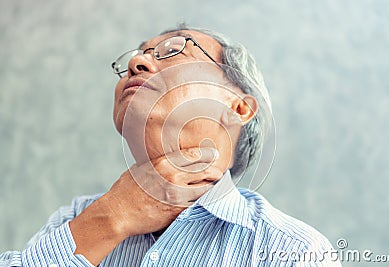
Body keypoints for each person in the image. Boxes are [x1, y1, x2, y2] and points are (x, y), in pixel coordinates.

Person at [0, 25, 342, 266]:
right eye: (137, 56)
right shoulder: (76, 219)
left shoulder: (296, 251)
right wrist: (111, 216)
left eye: (173, 51)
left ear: (239, 107)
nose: (136, 62)